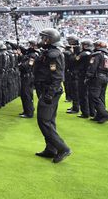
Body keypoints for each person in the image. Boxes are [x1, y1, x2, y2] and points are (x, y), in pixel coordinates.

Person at [33, 28, 71, 163]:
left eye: (44, 38)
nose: (41, 40)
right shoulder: (48, 52)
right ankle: (51, 149)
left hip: (49, 91)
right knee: (49, 121)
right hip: (47, 90)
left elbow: (57, 77)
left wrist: (49, 94)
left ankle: (63, 148)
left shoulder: (53, 54)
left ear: (49, 39)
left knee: (43, 121)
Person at [85, 40, 108, 124]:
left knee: (94, 97)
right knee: (101, 97)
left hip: (97, 78)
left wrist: (88, 76)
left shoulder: (97, 55)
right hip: (104, 77)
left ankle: (104, 114)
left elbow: (93, 66)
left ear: (98, 46)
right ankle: (99, 115)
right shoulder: (107, 55)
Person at [18, 40, 39, 118]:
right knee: (24, 94)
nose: (29, 46)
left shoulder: (33, 56)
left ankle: (29, 112)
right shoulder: (30, 53)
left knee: (27, 94)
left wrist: (20, 64)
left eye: (30, 45)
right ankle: (26, 110)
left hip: (28, 77)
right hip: (26, 76)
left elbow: (27, 66)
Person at [75, 39, 94, 119]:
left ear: (85, 46)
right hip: (90, 76)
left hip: (82, 75)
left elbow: (74, 61)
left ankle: (85, 113)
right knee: (89, 95)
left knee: (82, 94)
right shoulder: (92, 53)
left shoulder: (83, 54)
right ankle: (92, 112)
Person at [64, 36, 80, 113]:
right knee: (73, 91)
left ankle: (76, 108)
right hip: (73, 73)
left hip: (75, 73)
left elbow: (73, 60)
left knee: (75, 91)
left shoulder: (78, 51)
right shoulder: (77, 50)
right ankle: (75, 106)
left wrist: (71, 53)